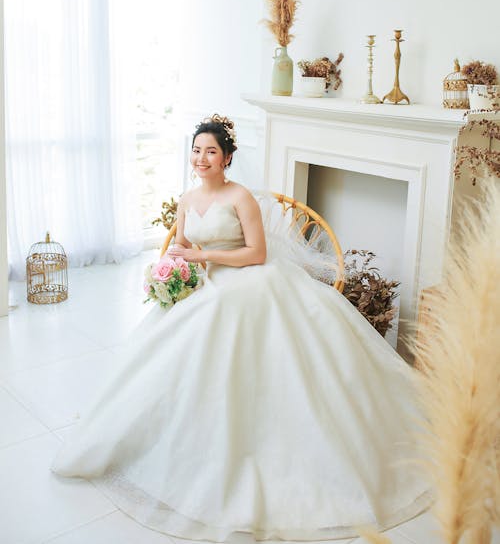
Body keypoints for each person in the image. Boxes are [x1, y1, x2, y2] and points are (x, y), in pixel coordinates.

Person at [52, 114, 431, 541]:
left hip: (250, 279)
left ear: (227, 157)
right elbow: (187, 246)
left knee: (223, 323)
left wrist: (202, 259)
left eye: (210, 151)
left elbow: (256, 253)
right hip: (207, 279)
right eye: (196, 151)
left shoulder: (241, 197)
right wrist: (176, 268)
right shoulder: (186, 197)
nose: (201, 158)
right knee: (172, 340)